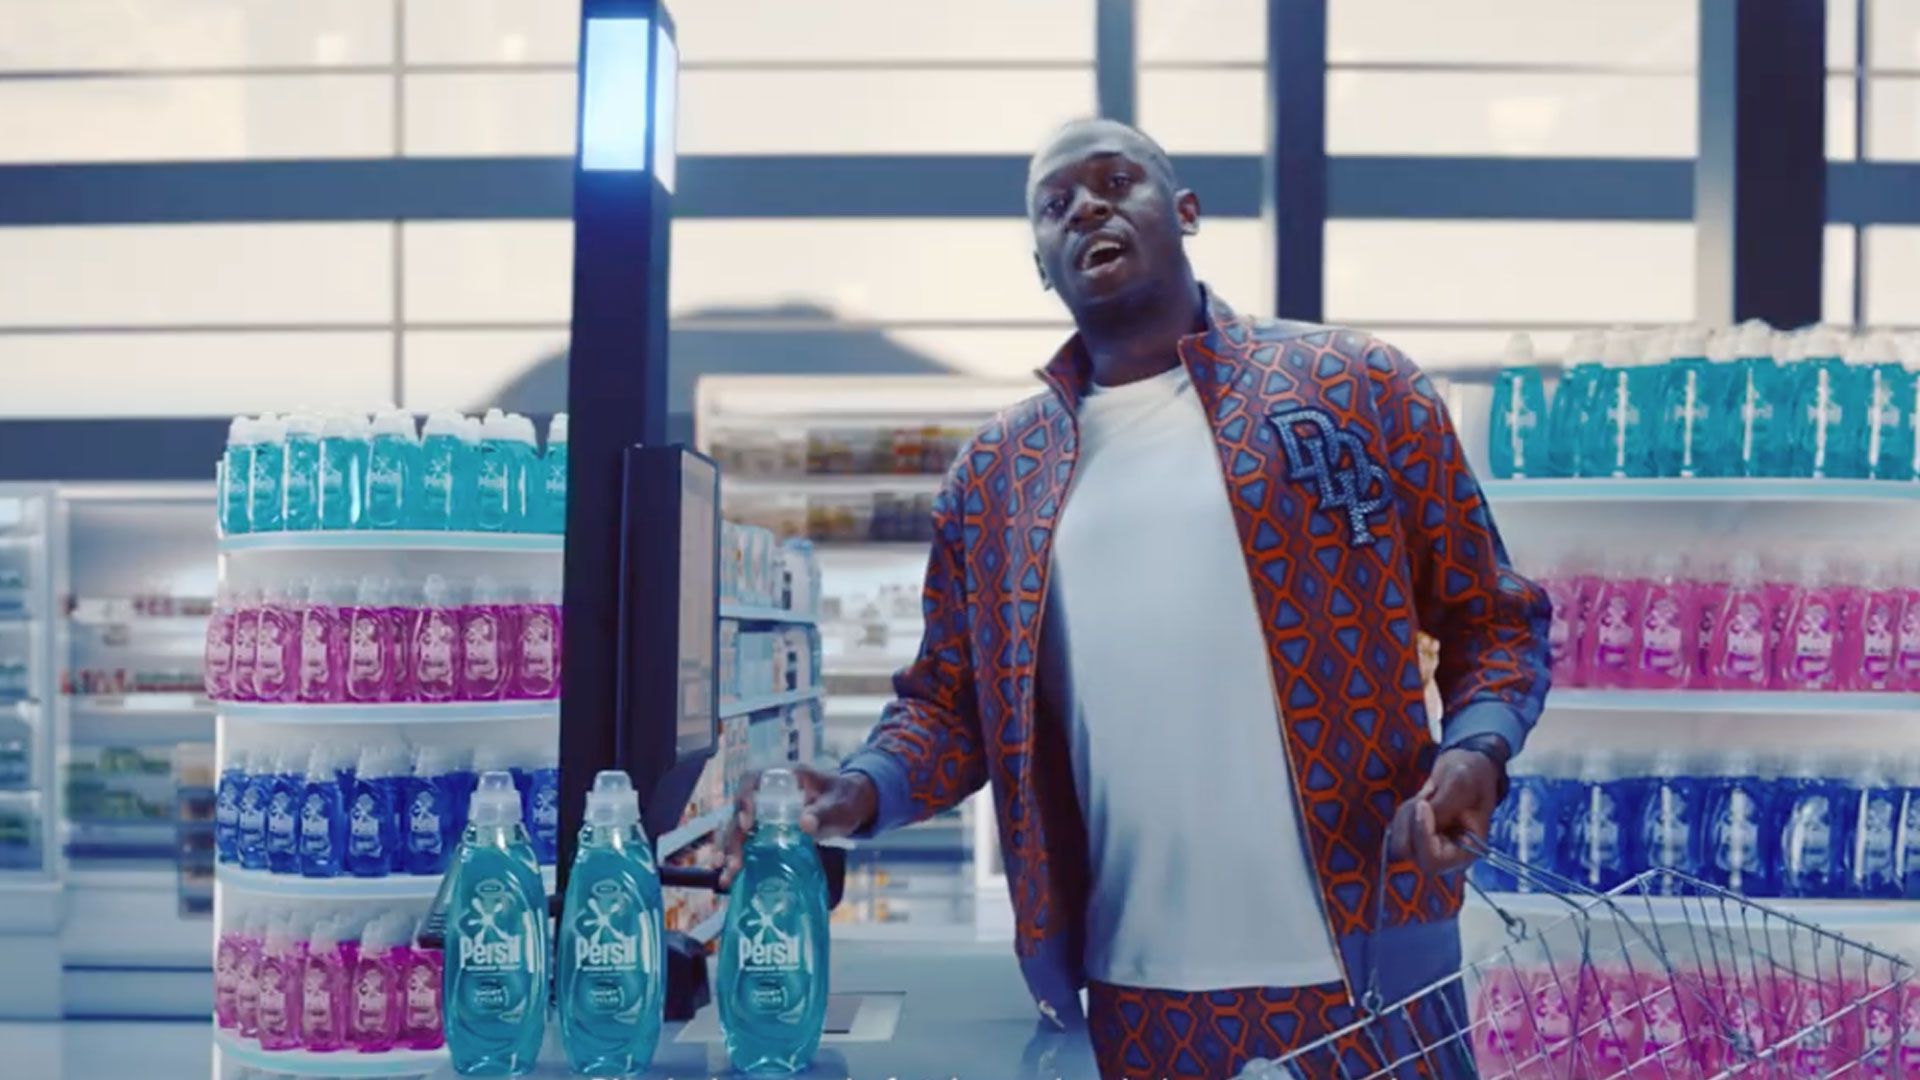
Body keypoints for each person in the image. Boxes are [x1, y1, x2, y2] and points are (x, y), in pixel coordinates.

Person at [722, 117, 1552, 1080]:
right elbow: (951, 705)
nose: (1086, 207)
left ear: (1186, 210)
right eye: (1054, 204)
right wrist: (861, 790)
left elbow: (1493, 616)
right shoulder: (1000, 475)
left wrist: (1476, 749)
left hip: (1372, 969)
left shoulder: (1356, 390)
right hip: (1136, 1003)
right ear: (1040, 264)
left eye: (1117, 181)